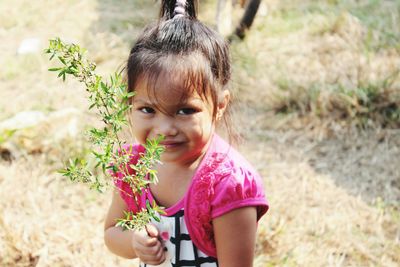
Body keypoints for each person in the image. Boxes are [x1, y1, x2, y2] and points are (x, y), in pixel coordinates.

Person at [104, 0, 269, 266]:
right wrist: (134, 242)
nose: (164, 129)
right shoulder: (134, 167)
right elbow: (112, 232)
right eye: (147, 109)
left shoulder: (227, 185)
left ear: (219, 106)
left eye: (184, 111)